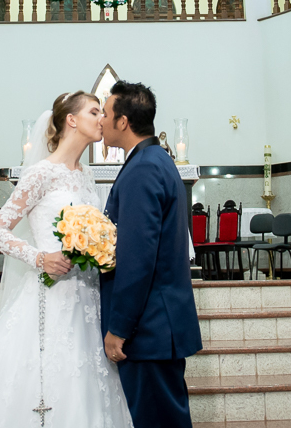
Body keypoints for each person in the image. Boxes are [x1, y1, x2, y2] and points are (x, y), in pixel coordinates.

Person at [0, 92, 132, 428]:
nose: (102, 119)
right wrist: (40, 257)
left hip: (89, 298)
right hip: (50, 296)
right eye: (94, 111)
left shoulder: (86, 175)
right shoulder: (41, 173)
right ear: (71, 120)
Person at [100, 81, 201, 428]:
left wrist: (119, 327)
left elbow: (138, 259)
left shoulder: (143, 168)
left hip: (148, 327)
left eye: (106, 113)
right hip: (159, 322)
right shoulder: (156, 159)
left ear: (123, 121)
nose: (101, 121)